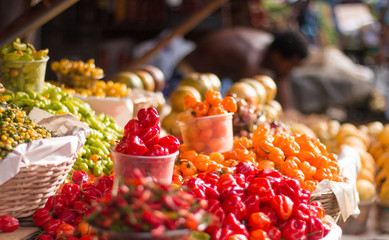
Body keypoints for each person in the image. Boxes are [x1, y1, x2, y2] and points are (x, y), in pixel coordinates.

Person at [177, 27, 309, 110]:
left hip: (211, 78)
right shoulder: (250, 59)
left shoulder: (271, 46)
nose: (290, 71)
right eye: (291, 65)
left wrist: (288, 110)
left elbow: (282, 76)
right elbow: (247, 104)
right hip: (185, 74)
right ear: (277, 56)